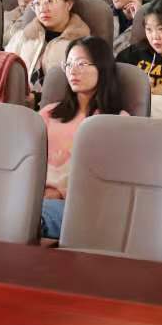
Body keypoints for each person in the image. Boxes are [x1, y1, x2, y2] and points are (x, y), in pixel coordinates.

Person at [38, 36, 125, 239]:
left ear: (102, 68)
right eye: (68, 64)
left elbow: (110, 183)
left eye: (82, 64)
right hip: (34, 198)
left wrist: (59, 193)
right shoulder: (48, 113)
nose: (73, 71)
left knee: (28, 216)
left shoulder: (118, 122)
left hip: (81, 207)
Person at [8, 0, 92, 96]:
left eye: (49, 1)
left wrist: (37, 100)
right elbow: (5, 74)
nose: (42, 9)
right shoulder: (22, 37)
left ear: (68, 4)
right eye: (37, 3)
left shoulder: (84, 45)